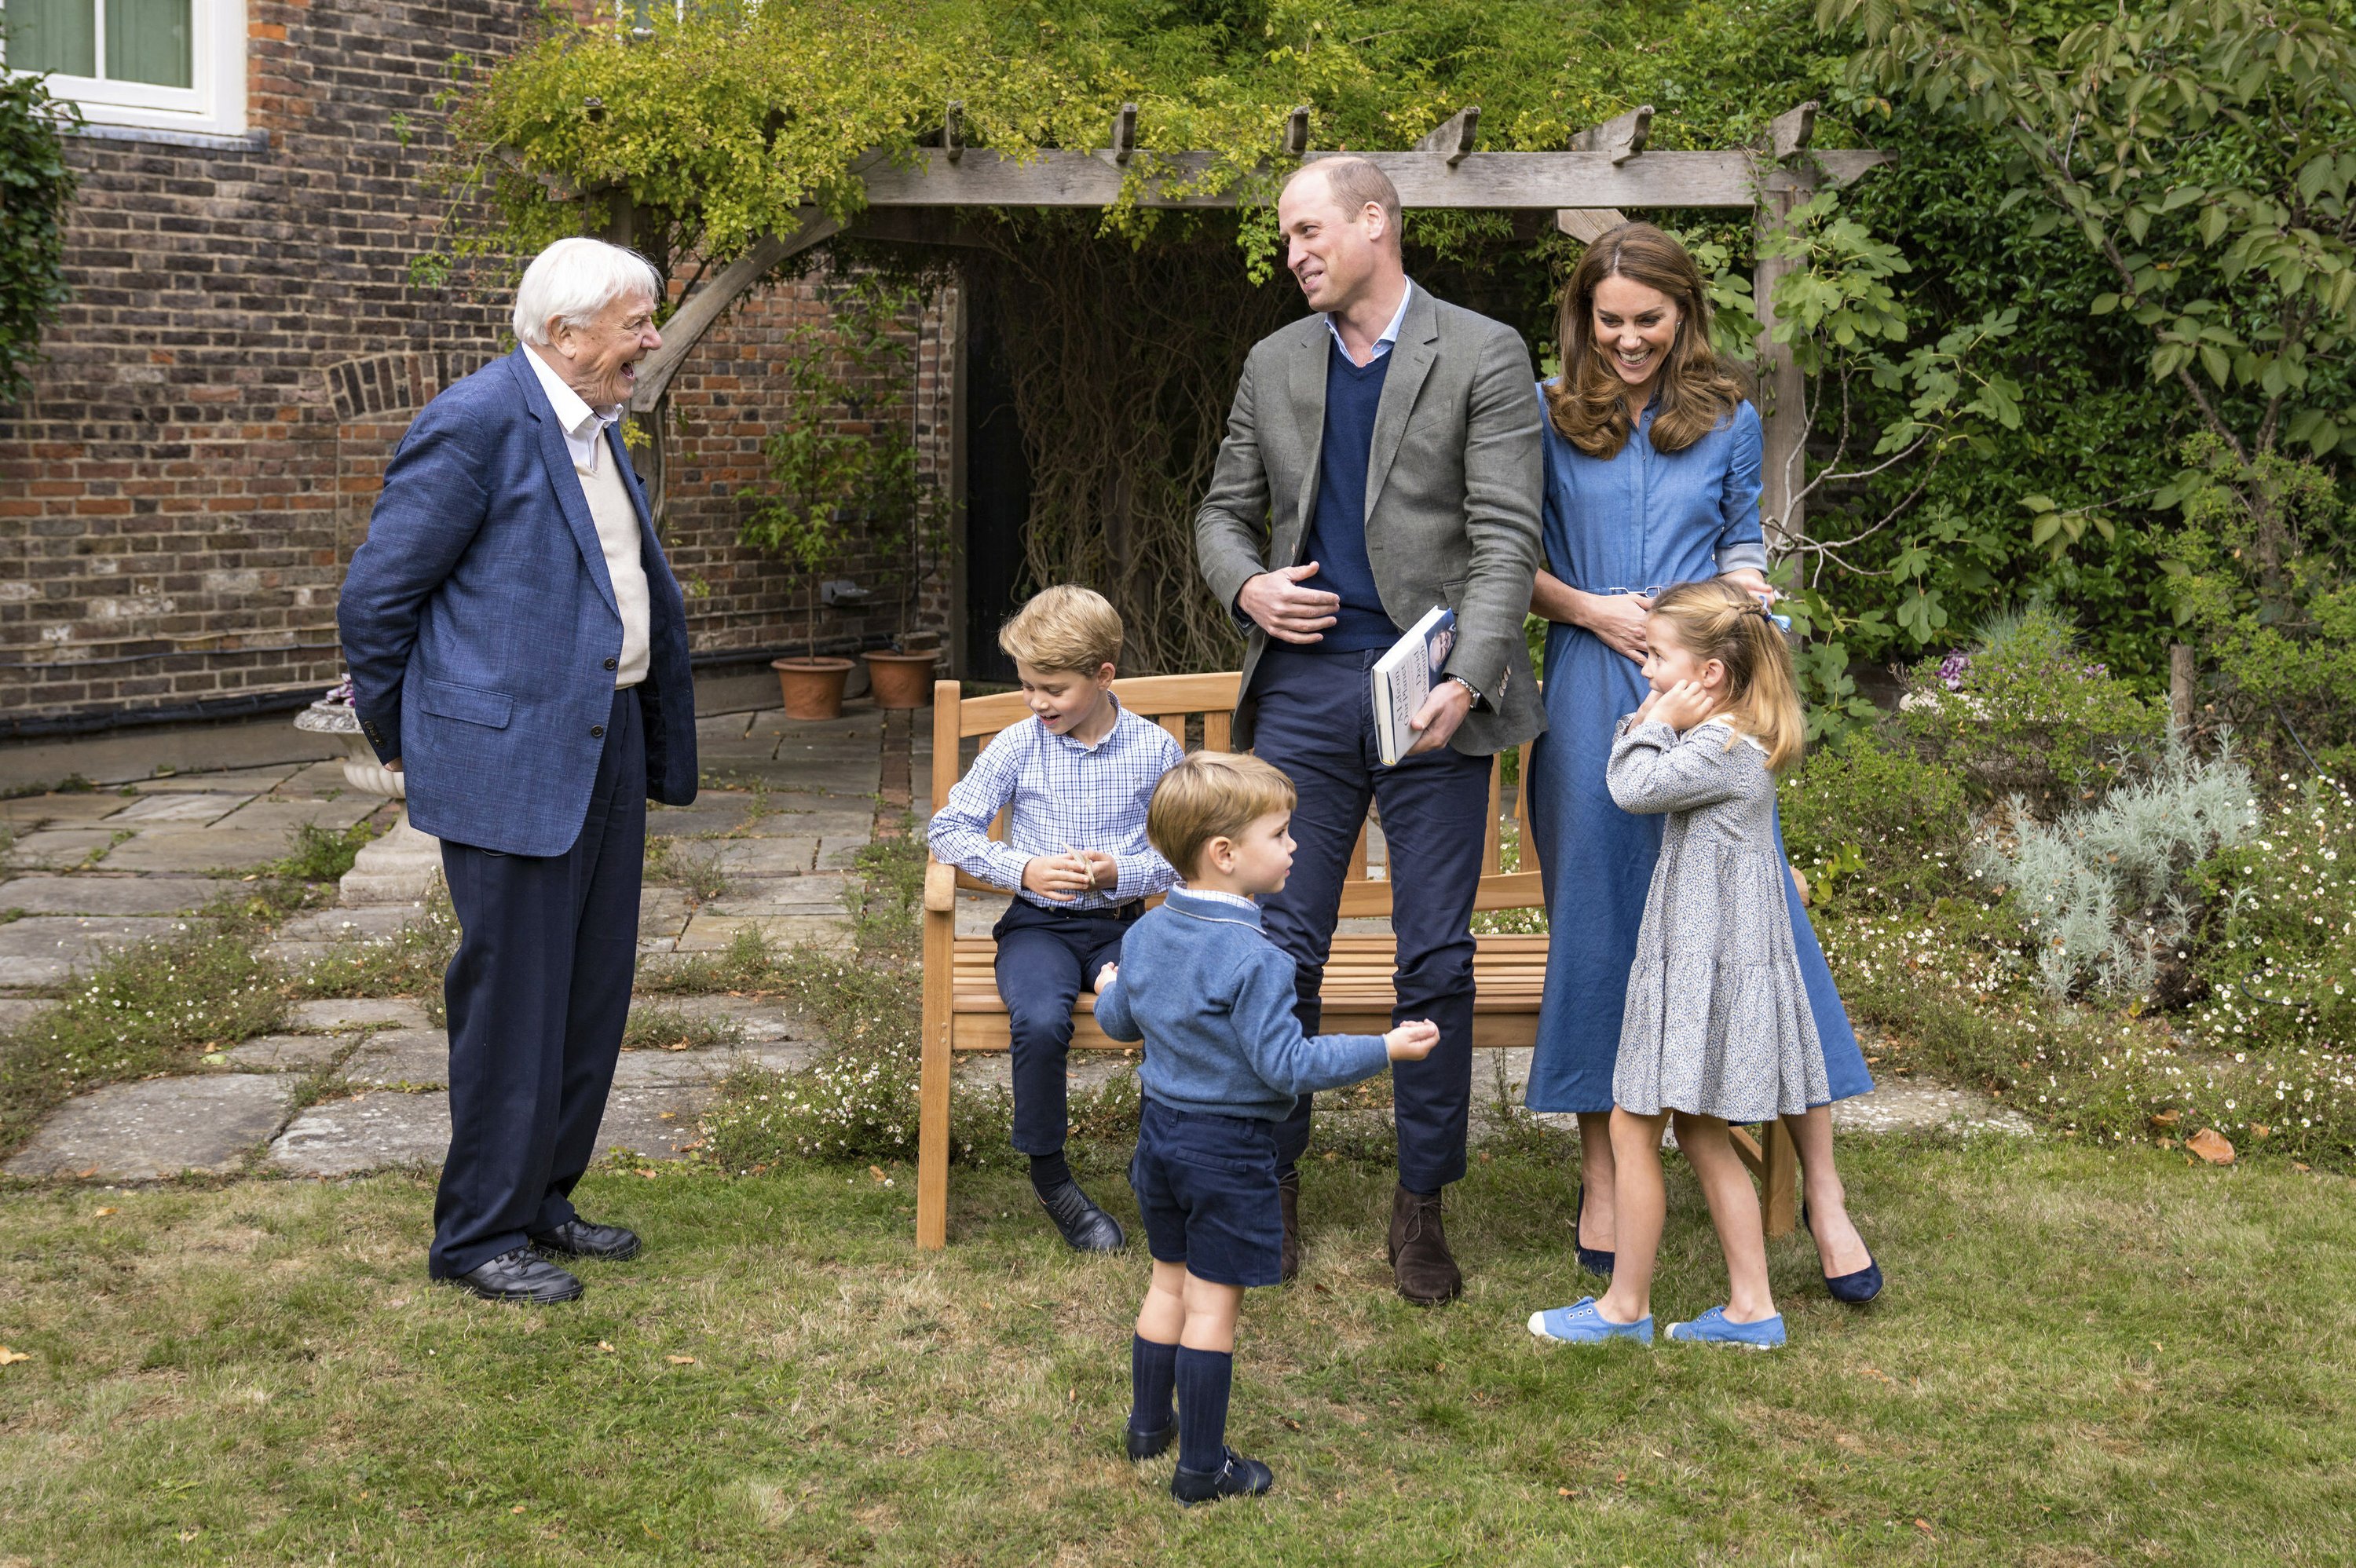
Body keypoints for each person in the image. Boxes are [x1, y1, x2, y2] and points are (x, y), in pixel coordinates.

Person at [1194, 155, 1544, 1305]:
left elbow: (1505, 541)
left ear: (1375, 223)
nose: (1293, 253)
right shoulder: (1273, 362)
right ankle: (1272, 1182)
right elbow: (1217, 512)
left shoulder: (1483, 351)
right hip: (1302, 690)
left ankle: (1422, 1203)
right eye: (1288, 237)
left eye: (1307, 231)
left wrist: (1475, 678)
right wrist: (1247, 587)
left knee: (1434, 955)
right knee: (1280, 951)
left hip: (1432, 693)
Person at [1521, 222, 1879, 1303]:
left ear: (1685, 315)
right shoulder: (1543, 412)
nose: (1629, 341)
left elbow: (1741, 539)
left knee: (1762, 917)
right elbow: (1511, 556)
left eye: (1649, 320)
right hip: (1591, 684)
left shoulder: (1726, 415)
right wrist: (1594, 610)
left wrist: (1742, 589)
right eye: (1610, 320)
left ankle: (1822, 1190)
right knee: (1599, 919)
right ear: (1585, 316)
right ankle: (1601, 1173)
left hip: (1708, 693)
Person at [338, 237, 699, 1303]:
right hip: (508, 759)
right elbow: (377, 600)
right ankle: (476, 1236)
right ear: (564, 333)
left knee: (589, 992)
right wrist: (407, 740)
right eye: (634, 323)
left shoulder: (595, 426)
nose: (650, 340)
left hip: (605, 742)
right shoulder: (479, 419)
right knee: (512, 1001)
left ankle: (544, 1198)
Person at [1529, 581, 1872, 1347]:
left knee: (1631, 1125)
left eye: (1657, 658)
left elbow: (1629, 786)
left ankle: (1625, 1308)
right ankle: (1753, 1307)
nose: (1646, 672)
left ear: (1708, 675)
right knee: (1703, 1134)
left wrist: (1651, 720)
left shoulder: (1719, 747)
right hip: (1706, 965)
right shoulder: (1732, 739)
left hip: (1699, 976)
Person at [1095, 752, 1439, 1502]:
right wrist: (1384, 1047)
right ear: (1226, 854)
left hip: (1160, 1140)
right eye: (1280, 834)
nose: (1294, 848)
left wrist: (1106, 985)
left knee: (1166, 1284)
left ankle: (1149, 1429)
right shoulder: (1259, 958)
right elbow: (1286, 1064)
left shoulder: (1148, 934)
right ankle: (1202, 1468)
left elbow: (1121, 1020)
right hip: (1228, 1152)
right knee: (1212, 1308)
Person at [927, 586, 1184, 1251]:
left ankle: (1155, 1166)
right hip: (1037, 928)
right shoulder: (1018, 745)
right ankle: (1053, 1179)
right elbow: (948, 829)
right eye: (1027, 686)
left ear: (1104, 676)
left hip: (1125, 928)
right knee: (1040, 1019)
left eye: (1052, 688)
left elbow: (1185, 855)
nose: (1037, 701)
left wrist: (1118, 872)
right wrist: (1022, 868)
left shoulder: (1154, 752)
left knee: (1165, 1008)